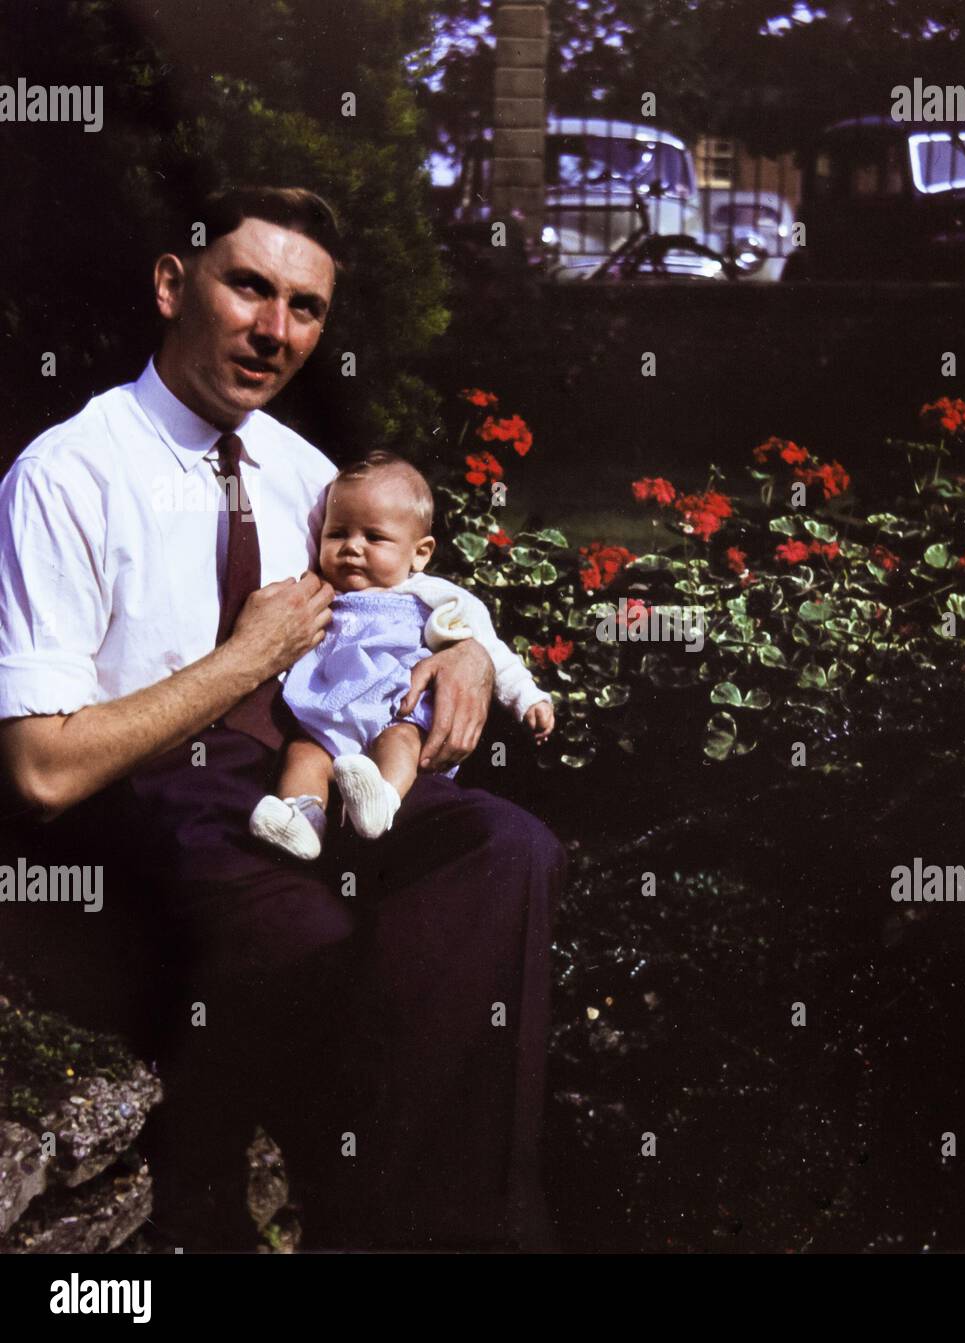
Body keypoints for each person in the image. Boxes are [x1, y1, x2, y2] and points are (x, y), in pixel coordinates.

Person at [0, 186, 566, 1252]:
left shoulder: (306, 475)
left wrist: (462, 658)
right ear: (174, 285)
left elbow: (392, 600)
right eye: (249, 286)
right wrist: (242, 662)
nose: (276, 329)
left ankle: (450, 1230)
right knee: (306, 926)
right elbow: (38, 770)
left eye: (305, 307)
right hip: (141, 796)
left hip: (300, 773)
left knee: (509, 849)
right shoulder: (68, 476)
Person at [250, 449, 555, 860]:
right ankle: (302, 820)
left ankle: (382, 800)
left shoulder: (430, 595)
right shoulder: (323, 595)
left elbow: (486, 647)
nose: (352, 548)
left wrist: (527, 697)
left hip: (396, 708)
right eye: (338, 534)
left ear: (420, 553)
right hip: (331, 714)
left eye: (374, 538)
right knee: (303, 753)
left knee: (403, 740)